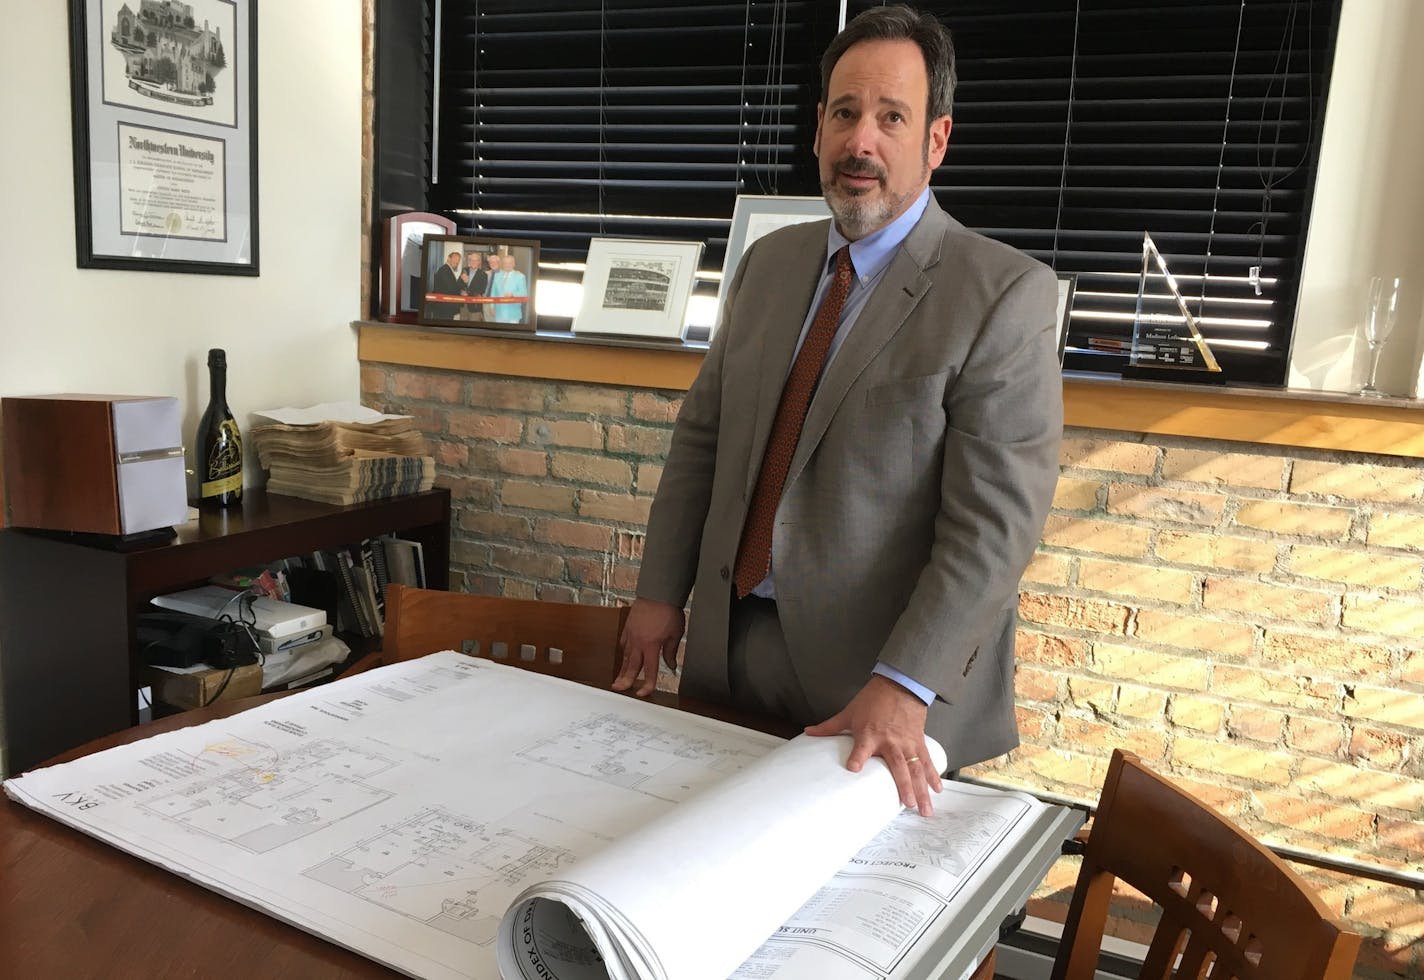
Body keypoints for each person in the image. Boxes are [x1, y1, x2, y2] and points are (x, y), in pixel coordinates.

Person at [615, 4, 1063, 816]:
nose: (863, 142)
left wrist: (904, 681)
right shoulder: (767, 264)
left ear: (936, 141)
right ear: (819, 127)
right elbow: (703, 442)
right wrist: (658, 596)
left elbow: (995, 527)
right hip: (730, 649)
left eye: (892, 117)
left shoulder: (1003, 295)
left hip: (880, 692)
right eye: (846, 113)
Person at [486, 253, 529, 324]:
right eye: (505, 263)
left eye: (510, 263)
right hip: (498, 312)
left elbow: (524, 293)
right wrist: (492, 307)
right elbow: (493, 292)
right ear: (502, 264)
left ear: (514, 264)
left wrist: (512, 294)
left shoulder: (520, 276)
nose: (507, 265)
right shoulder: (497, 275)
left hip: (513, 314)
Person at [428, 250, 464, 320]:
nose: (457, 262)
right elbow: (451, 288)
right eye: (455, 259)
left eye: (458, 260)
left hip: (444, 307)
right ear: (448, 258)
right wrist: (461, 280)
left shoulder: (447, 269)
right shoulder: (445, 270)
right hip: (444, 308)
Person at [461, 251, 489, 321]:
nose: (473, 262)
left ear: (479, 262)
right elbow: (459, 284)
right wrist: (461, 291)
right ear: (469, 261)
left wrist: (467, 293)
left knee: (473, 327)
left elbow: (481, 290)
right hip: (463, 306)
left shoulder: (483, 275)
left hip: (475, 307)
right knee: (462, 327)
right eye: (471, 260)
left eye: (475, 260)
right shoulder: (464, 270)